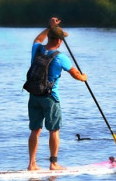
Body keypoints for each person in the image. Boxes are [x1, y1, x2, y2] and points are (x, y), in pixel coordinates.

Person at [27, 17, 87, 171]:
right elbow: (75, 73)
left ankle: (32, 164)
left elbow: (37, 39)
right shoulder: (60, 57)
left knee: (35, 130)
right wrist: (83, 78)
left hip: (34, 95)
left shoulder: (37, 50)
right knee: (53, 130)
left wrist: (50, 26)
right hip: (50, 98)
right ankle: (53, 164)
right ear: (59, 41)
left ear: (49, 37)